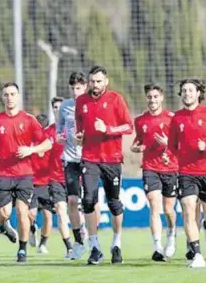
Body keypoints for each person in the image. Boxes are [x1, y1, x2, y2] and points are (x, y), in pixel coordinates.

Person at [0, 82, 52, 263]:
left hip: (24, 174)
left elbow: (48, 143)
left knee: (23, 212)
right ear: (2, 97)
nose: (9, 97)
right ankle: (3, 225)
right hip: (2, 173)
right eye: (6, 94)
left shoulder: (29, 119)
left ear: (18, 96)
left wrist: (31, 150)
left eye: (13, 94)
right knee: (4, 213)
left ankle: (22, 250)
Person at [168, 78, 206, 268]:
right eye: (184, 90)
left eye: (191, 90)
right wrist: (167, 157)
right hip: (186, 172)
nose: (187, 93)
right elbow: (171, 146)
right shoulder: (176, 118)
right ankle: (197, 255)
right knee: (188, 210)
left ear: (198, 93)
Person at [75, 65, 133, 265]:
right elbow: (80, 127)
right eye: (92, 81)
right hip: (89, 158)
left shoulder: (116, 99)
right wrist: (79, 136)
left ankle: (116, 243)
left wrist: (107, 128)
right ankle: (94, 247)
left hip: (112, 159)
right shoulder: (81, 101)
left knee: (114, 202)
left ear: (106, 82)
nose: (95, 85)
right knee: (88, 200)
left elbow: (128, 126)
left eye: (99, 81)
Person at [130, 83, 179, 262]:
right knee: (154, 205)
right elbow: (138, 142)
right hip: (150, 167)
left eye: (155, 97)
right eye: (149, 97)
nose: (152, 100)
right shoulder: (140, 120)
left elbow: (181, 145)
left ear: (162, 98)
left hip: (171, 168)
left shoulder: (172, 119)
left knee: (168, 209)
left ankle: (172, 234)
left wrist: (168, 143)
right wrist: (136, 147)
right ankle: (157, 246)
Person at [57, 72, 89, 260]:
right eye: (73, 88)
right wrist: (60, 137)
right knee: (71, 201)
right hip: (70, 158)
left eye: (79, 87)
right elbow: (59, 129)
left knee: (89, 202)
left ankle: (91, 236)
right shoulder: (65, 107)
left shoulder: (91, 104)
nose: (76, 92)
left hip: (89, 158)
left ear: (85, 87)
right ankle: (78, 242)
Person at [46, 97, 76, 258]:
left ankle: (81, 235)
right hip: (55, 179)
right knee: (60, 211)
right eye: (55, 107)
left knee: (77, 212)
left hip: (73, 176)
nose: (58, 109)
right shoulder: (47, 132)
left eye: (60, 107)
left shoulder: (74, 128)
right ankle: (69, 247)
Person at [28, 113, 57, 254]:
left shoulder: (49, 142)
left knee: (48, 215)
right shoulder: (29, 141)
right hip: (31, 182)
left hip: (46, 183)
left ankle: (43, 244)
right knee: (31, 213)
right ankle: (32, 228)